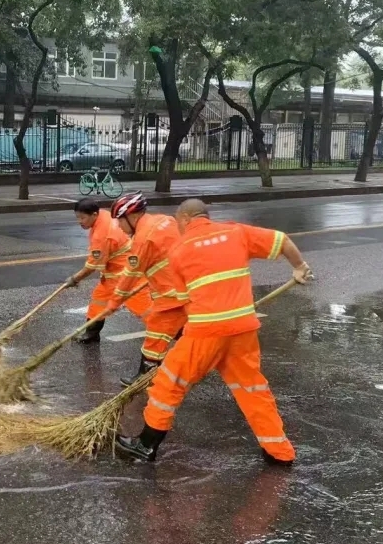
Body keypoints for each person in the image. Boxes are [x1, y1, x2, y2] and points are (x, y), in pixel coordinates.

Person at [114, 199, 313, 466]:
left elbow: (184, 301)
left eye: (177, 223)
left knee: (168, 384)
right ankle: (279, 451)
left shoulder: (179, 251)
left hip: (205, 332)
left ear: (185, 219)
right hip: (243, 330)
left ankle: (146, 445)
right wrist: (299, 267)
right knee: (253, 389)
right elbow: (282, 240)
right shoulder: (236, 232)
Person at [104, 192, 189, 385]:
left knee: (155, 334)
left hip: (172, 296)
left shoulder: (143, 239)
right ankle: (203, 358)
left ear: (133, 216)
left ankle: (146, 375)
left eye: (120, 220)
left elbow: (130, 275)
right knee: (188, 331)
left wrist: (113, 303)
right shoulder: (165, 220)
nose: (119, 226)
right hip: (189, 287)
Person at [64, 198, 152, 343]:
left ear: (94, 214)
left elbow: (92, 266)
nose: (80, 221)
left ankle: (173, 331)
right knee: (98, 301)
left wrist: (74, 279)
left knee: (143, 308)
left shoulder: (102, 235)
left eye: (82, 218)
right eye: (77, 217)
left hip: (128, 276)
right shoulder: (103, 215)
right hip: (113, 275)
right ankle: (91, 334)